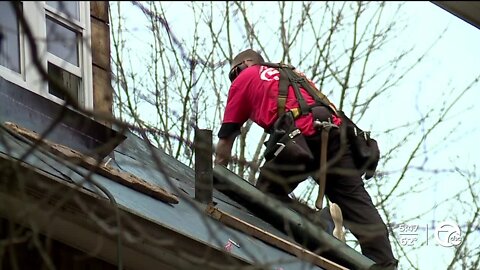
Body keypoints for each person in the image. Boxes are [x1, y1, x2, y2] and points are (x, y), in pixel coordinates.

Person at [214, 48, 398, 269]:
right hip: (335, 134)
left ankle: (317, 222)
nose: (233, 80)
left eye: (233, 73)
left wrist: (215, 176)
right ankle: (385, 263)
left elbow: (226, 138)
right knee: (357, 203)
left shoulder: (244, 79)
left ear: (244, 64)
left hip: (299, 138)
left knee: (264, 195)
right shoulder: (290, 73)